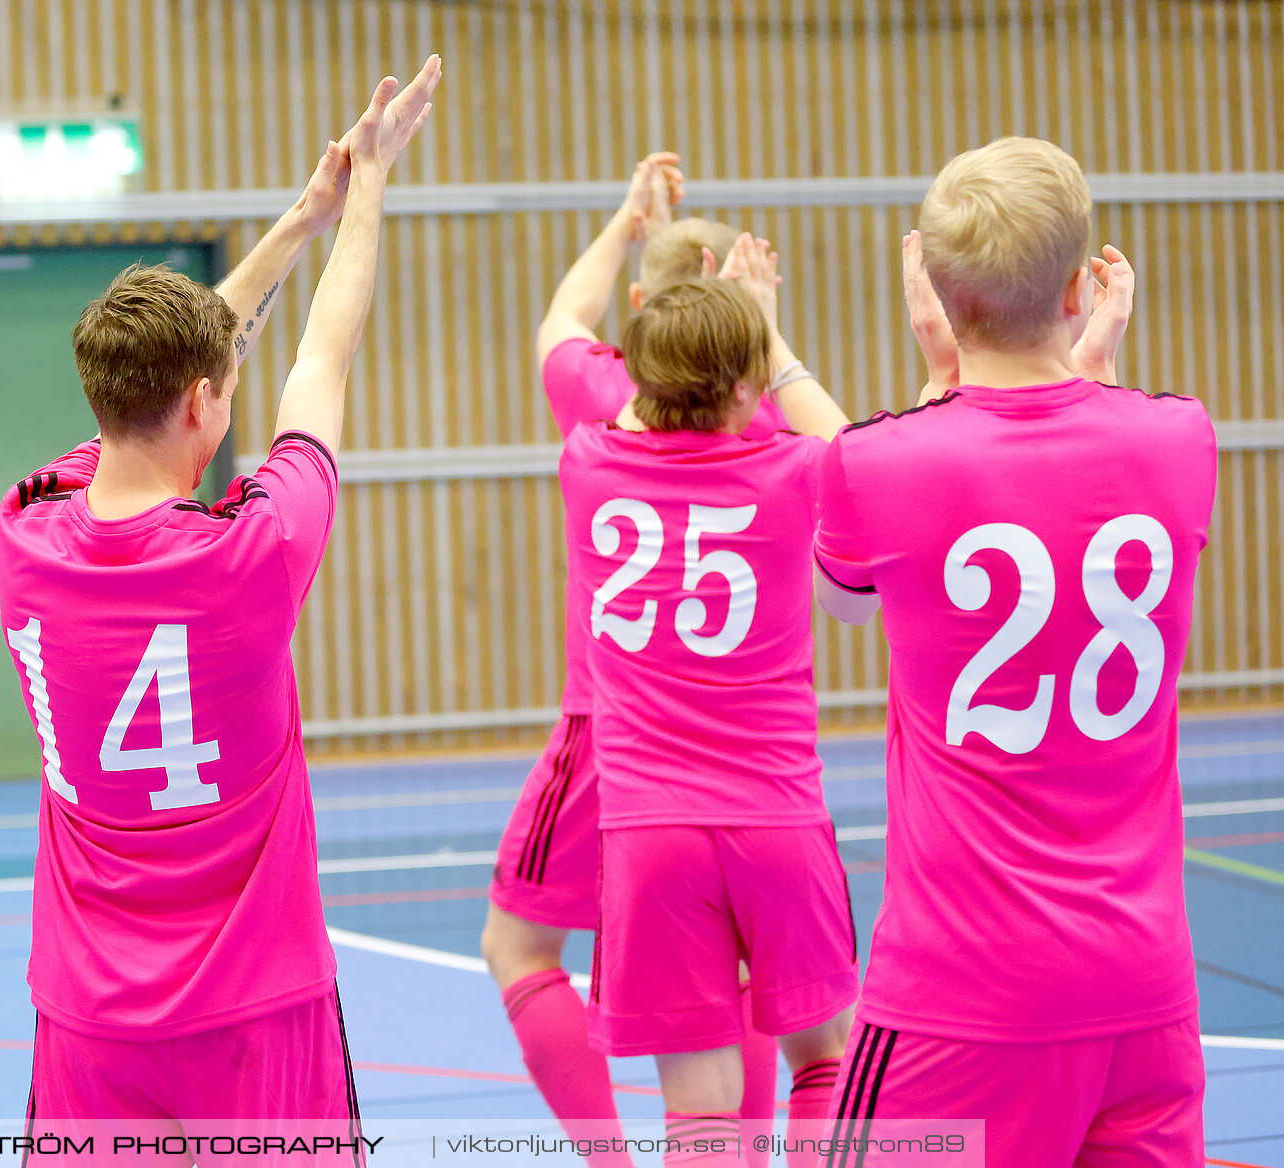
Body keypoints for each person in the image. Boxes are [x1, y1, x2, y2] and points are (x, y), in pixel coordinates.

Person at [0, 59, 441, 1164]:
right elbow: (320, 356)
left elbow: (189, 362)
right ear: (203, 404)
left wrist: (295, 219)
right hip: (257, 1006)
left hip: (91, 1018)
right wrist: (363, 189)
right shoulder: (254, 548)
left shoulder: (24, 532)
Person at [814, 137, 1199, 1166]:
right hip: (1144, 993)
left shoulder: (878, 460)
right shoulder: (1181, 438)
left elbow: (845, 604)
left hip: (961, 1000)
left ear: (933, 294)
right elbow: (1081, 448)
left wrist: (941, 385)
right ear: (1082, 287)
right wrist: (1095, 368)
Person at [483, 153, 840, 1159]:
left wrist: (623, 220)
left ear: (641, 319)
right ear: (744, 356)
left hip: (630, 754)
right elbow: (855, 457)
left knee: (532, 953)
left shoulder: (595, 435)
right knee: (782, 1014)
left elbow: (561, 322)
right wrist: (773, 346)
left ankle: (614, 1153)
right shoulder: (779, 444)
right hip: (766, 790)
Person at [559, 261, 856, 1167]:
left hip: (650, 835)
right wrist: (769, 337)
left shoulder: (588, 461)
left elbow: (575, 344)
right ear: (747, 384)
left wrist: (699, 345)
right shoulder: (795, 471)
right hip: (776, 818)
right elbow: (856, 448)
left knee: (698, 1107)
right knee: (826, 1062)